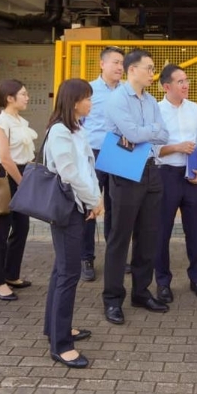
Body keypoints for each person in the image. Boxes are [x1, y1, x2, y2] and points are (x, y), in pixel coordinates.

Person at [101, 48, 169, 324]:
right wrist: (148, 132)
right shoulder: (117, 99)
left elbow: (164, 135)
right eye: (149, 68)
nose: (152, 73)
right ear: (132, 70)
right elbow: (132, 133)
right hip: (125, 170)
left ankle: (141, 292)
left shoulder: (151, 100)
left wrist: (144, 134)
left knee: (148, 236)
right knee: (120, 237)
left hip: (151, 169)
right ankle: (112, 299)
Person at [42, 78, 104, 369]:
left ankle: (55, 328)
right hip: (68, 208)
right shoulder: (59, 131)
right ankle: (61, 345)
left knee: (61, 270)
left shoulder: (77, 128)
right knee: (68, 274)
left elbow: (87, 168)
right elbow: (69, 173)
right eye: (87, 98)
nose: (91, 103)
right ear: (74, 101)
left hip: (79, 205)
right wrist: (93, 200)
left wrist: (94, 199)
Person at [154, 64, 197, 302]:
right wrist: (177, 147)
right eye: (180, 81)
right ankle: (162, 282)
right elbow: (152, 149)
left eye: (186, 80)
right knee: (161, 232)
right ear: (167, 86)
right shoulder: (156, 111)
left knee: (195, 231)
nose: (186, 85)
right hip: (165, 175)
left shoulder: (194, 109)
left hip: (191, 175)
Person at [0, 79, 38, 301]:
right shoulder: (2, 122)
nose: (27, 97)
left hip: (22, 174)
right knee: (0, 231)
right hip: (8, 176)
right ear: (10, 98)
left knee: (21, 227)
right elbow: (6, 158)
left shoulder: (20, 120)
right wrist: (22, 182)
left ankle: (11, 274)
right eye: (23, 94)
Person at [81, 46, 125, 282]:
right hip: (94, 152)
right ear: (102, 64)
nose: (120, 67)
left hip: (118, 152)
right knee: (90, 205)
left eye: (122, 63)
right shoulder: (88, 91)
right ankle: (86, 257)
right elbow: (77, 122)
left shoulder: (127, 91)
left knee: (116, 207)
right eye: (115, 62)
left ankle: (115, 257)